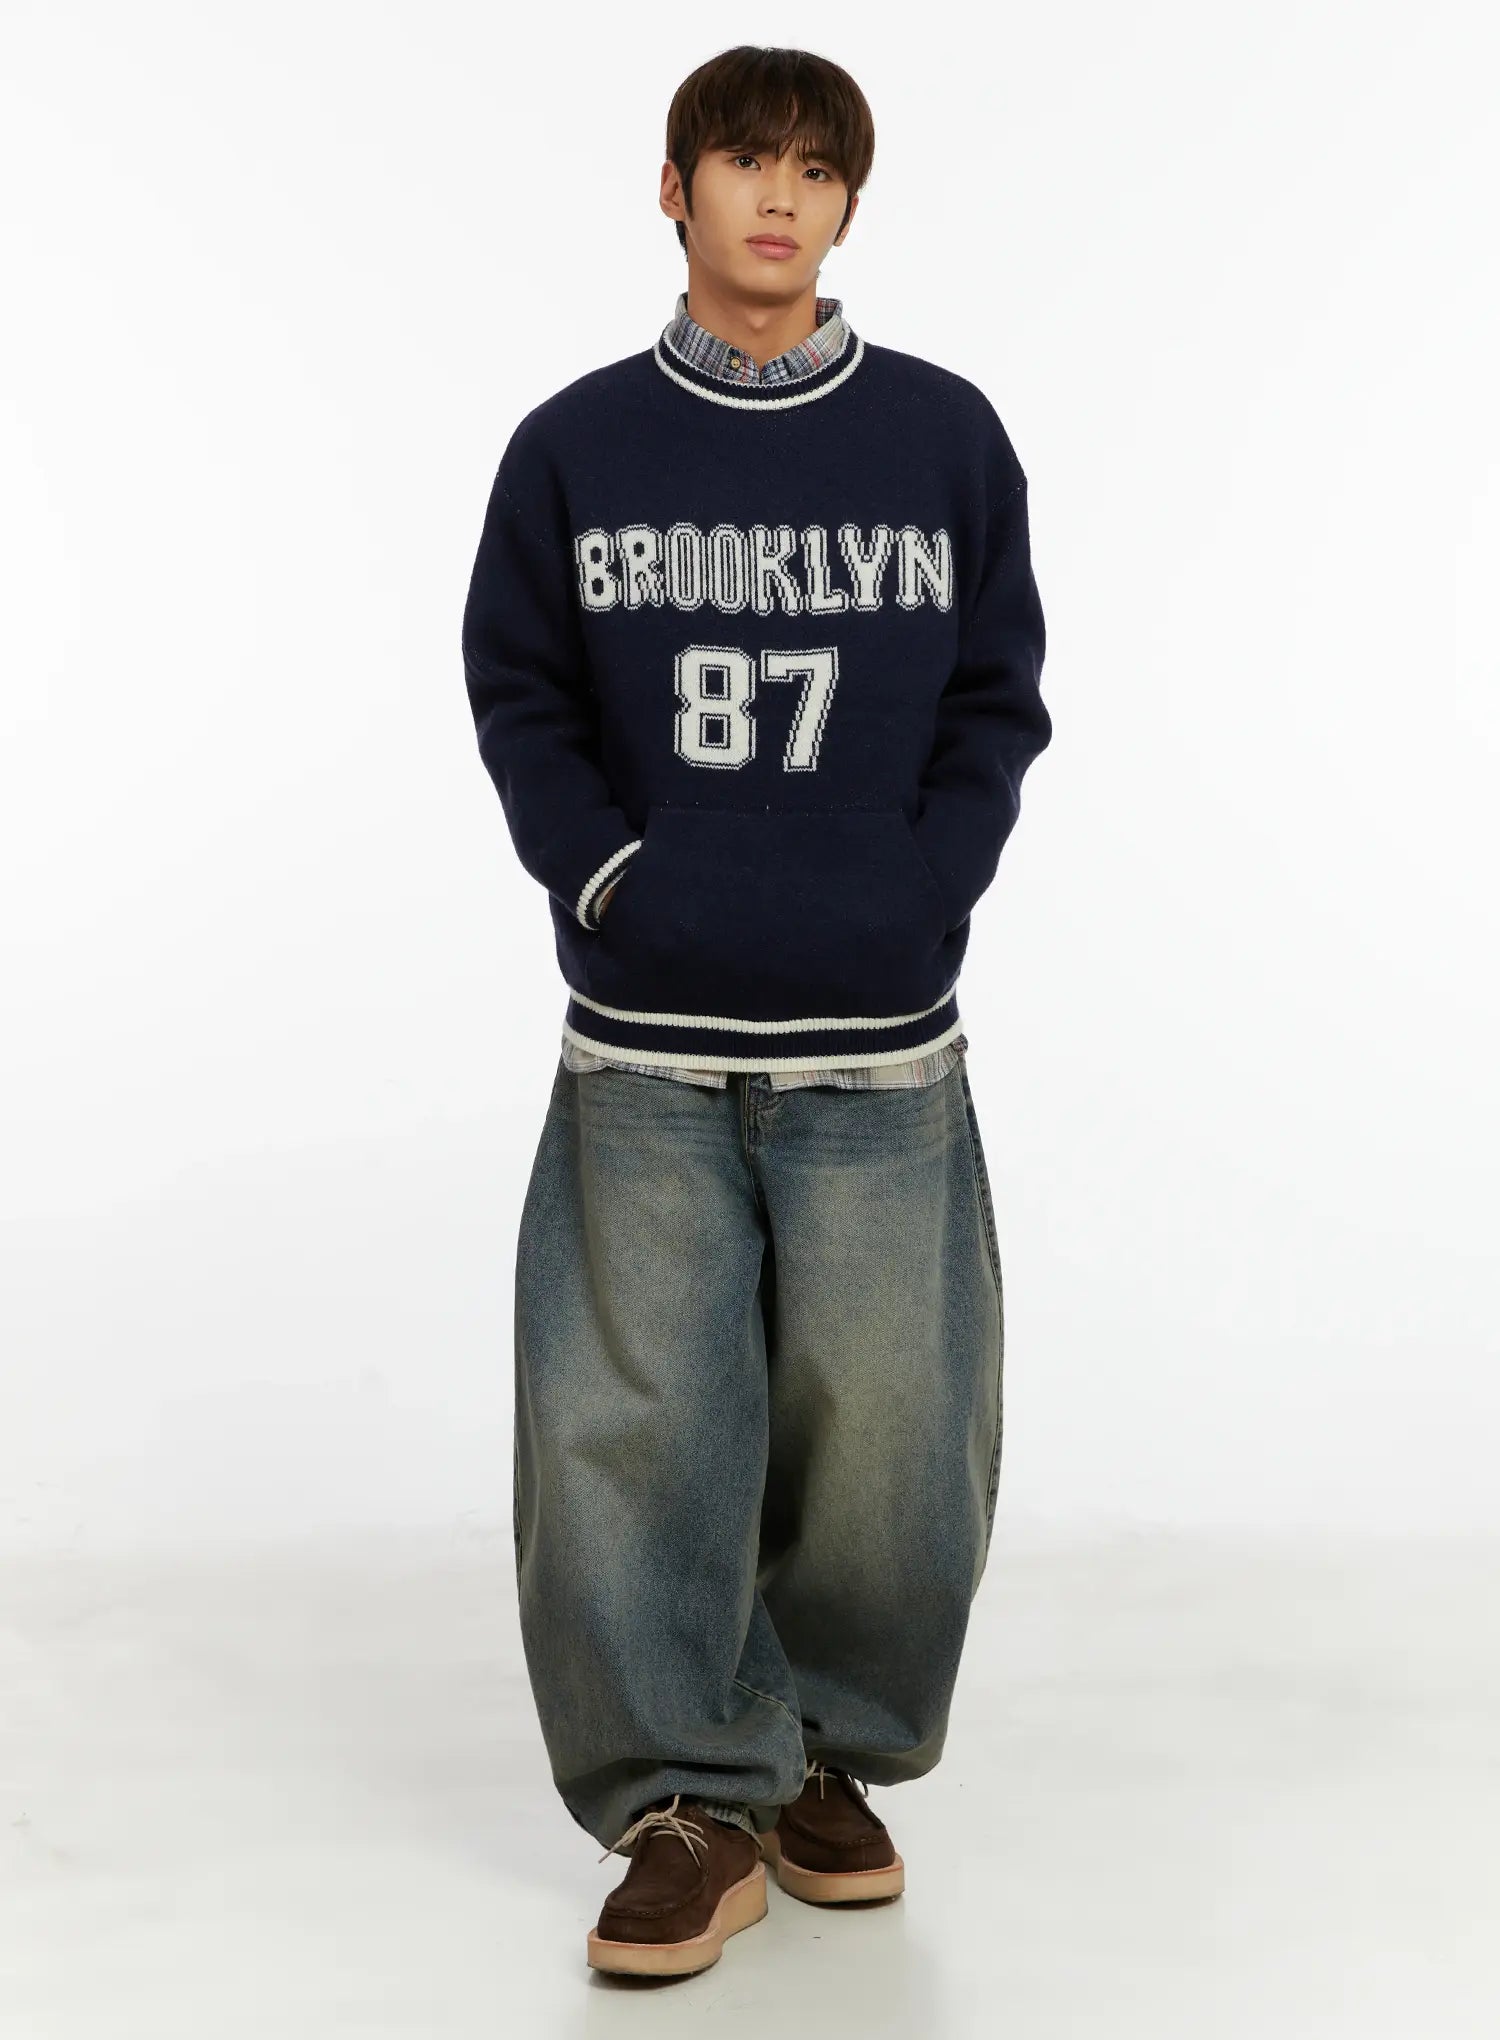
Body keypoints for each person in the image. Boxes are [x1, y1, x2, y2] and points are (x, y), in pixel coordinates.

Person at [460, 43, 1051, 1979]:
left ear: (850, 204)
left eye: (815, 168)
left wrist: (922, 886)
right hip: (644, 1041)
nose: (779, 196)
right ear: (675, 190)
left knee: (894, 1432)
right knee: (630, 1426)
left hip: (880, 1039)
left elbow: (996, 699)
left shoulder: (946, 440)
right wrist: (604, 877)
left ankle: (823, 1759)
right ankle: (681, 1803)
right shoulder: (573, 448)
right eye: (741, 160)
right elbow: (522, 689)